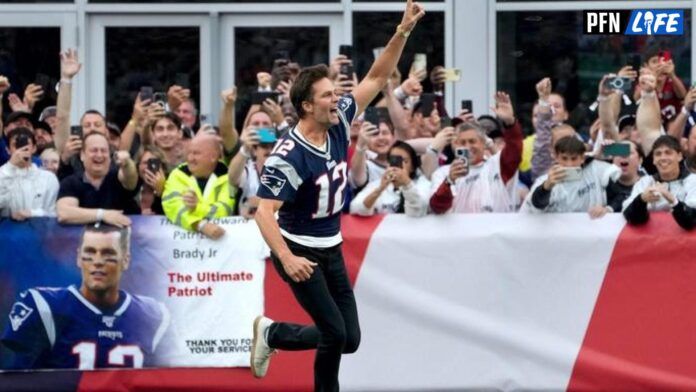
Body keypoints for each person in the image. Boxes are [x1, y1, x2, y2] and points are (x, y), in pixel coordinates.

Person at [250, 2, 425, 390]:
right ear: (306, 106)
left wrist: (403, 31)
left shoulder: (339, 120)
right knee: (333, 335)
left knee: (350, 339)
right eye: (327, 95)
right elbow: (263, 211)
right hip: (301, 250)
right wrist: (287, 257)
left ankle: (273, 334)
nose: (337, 98)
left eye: (334, 92)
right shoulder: (289, 155)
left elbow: (377, 77)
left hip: (331, 247)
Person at [0, 224, 171, 369]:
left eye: (108, 254)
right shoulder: (44, 307)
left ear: (125, 260)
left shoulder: (153, 316)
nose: (97, 261)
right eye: (90, 252)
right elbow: (19, 379)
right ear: (78, 258)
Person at [428, 92, 522, 214]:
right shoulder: (443, 173)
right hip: (460, 233)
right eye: (462, 142)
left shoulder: (497, 166)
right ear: (454, 145)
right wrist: (449, 181)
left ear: (484, 143)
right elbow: (437, 207)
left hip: (496, 232)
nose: (467, 147)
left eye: (472, 141)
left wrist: (510, 123)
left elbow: (514, 151)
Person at [56, 132, 138, 228]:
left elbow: (131, 179)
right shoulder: (70, 182)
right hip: (83, 240)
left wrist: (127, 163)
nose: (99, 155)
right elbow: (64, 213)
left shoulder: (117, 176)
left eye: (103, 151)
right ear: (82, 155)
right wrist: (103, 215)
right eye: (94, 150)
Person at [161, 132, 234, 239]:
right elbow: (172, 207)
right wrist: (199, 225)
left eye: (196, 153)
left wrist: (196, 208)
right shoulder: (177, 175)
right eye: (189, 153)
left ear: (213, 156)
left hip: (221, 248)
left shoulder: (228, 177)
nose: (190, 158)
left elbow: (225, 210)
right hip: (185, 251)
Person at [521, 136, 620, 214]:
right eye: (564, 158)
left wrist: (612, 152)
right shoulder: (545, 180)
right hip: (560, 237)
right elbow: (537, 205)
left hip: (594, 234)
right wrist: (546, 187)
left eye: (574, 159)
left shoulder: (596, 169)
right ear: (556, 157)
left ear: (582, 157)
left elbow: (627, 182)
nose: (569, 164)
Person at [623, 135, 696, 229]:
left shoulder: (693, 181)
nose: (663, 158)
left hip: (685, 242)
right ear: (653, 160)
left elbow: (690, 221)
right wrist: (641, 200)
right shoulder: (644, 183)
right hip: (652, 241)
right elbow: (630, 218)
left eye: (668, 153)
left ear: (679, 156)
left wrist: (672, 200)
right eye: (658, 154)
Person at [350, 140, 430, 217]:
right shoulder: (377, 185)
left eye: (404, 161)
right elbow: (355, 209)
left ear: (412, 166)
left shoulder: (422, 183)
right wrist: (379, 190)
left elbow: (420, 210)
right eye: (393, 160)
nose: (399, 166)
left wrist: (407, 184)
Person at [0, 128, 59, 219]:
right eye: (17, 145)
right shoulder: (3, 174)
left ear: (34, 148)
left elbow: (53, 214)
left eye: (26, 145)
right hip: (7, 230)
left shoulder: (48, 178)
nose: (22, 150)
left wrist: (33, 213)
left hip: (39, 229)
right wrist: (10, 167)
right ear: (8, 150)